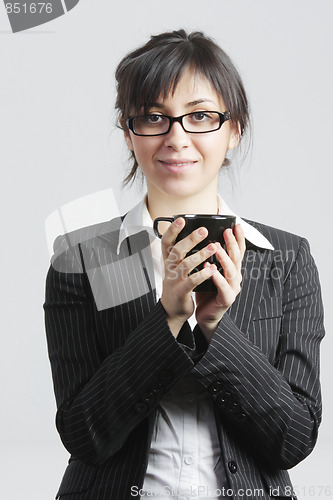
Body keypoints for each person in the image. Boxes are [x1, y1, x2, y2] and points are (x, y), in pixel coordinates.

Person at [44, 29, 325, 500]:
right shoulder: (82, 262)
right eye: (154, 117)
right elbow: (83, 434)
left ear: (234, 130)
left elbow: (292, 440)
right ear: (128, 131)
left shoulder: (287, 260)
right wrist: (169, 319)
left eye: (200, 116)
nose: (177, 137)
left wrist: (216, 326)